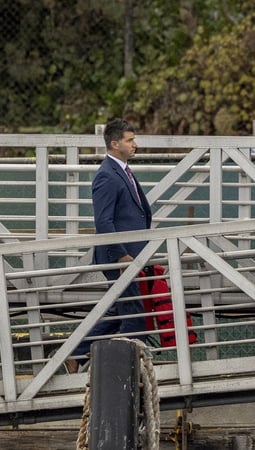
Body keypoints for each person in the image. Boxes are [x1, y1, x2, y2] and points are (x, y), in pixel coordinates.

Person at [65, 118, 151, 373]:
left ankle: (78, 354)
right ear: (115, 144)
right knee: (133, 312)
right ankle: (134, 366)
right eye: (129, 140)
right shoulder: (107, 175)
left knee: (119, 309)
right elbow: (103, 221)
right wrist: (121, 255)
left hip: (131, 254)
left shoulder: (123, 169)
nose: (135, 144)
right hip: (120, 257)